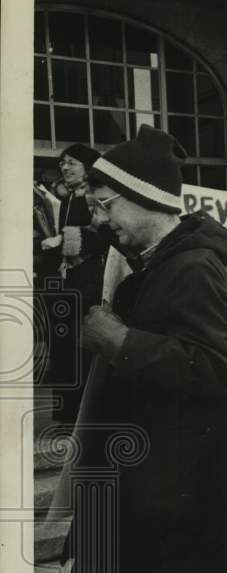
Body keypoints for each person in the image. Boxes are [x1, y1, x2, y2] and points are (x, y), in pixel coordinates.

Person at [60, 125, 227, 573]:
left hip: (171, 475)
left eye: (104, 204)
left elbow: (216, 368)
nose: (97, 218)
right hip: (144, 469)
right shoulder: (153, 260)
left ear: (146, 197)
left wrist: (119, 342)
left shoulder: (193, 269)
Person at [36, 144, 110, 423]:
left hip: (89, 280)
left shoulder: (94, 196)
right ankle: (68, 415)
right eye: (63, 163)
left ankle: (85, 413)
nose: (65, 167)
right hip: (68, 280)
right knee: (63, 345)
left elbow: (104, 236)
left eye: (72, 163)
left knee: (83, 346)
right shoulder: (65, 199)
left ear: (88, 167)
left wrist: (63, 238)